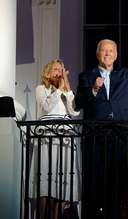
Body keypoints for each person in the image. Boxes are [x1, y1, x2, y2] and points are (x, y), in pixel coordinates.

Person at [75, 39, 128, 219]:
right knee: (97, 183)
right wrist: (93, 89)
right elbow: (79, 103)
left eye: (111, 51)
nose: (107, 53)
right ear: (97, 54)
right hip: (96, 137)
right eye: (104, 50)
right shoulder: (86, 76)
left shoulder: (125, 75)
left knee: (121, 182)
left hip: (122, 135)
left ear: (116, 55)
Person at [29, 59, 81, 218]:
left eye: (61, 70)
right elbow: (46, 107)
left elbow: (74, 112)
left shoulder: (64, 91)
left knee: (62, 176)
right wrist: (58, 90)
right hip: (48, 137)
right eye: (56, 69)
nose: (59, 72)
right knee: (46, 173)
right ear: (48, 72)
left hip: (65, 137)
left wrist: (68, 89)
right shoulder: (41, 89)